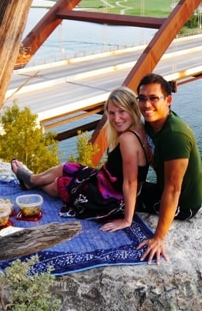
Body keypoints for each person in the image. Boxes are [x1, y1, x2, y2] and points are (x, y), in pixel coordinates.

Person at [11, 86, 151, 232]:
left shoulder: (127, 139)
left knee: (60, 184)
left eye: (122, 111)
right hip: (105, 180)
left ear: (132, 108)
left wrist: (127, 220)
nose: (116, 118)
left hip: (111, 198)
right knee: (66, 168)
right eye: (111, 113)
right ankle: (32, 179)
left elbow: (131, 182)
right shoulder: (140, 127)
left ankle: (32, 182)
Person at [135, 73, 202, 264]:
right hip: (164, 189)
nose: (146, 105)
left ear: (168, 100)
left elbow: (173, 190)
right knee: (118, 190)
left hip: (184, 204)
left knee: (119, 201)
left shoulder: (175, 135)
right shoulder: (153, 122)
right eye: (142, 99)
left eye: (153, 98)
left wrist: (158, 237)